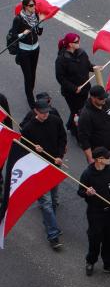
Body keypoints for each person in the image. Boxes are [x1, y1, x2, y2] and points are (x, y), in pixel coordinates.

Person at [20, 98, 67, 250]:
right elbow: (23, 150)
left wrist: (60, 156)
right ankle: (53, 235)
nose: (45, 115)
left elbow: (62, 138)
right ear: (35, 112)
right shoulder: (28, 129)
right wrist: (34, 149)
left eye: (47, 111)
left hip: (54, 165)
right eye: (42, 113)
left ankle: (49, 221)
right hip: (38, 168)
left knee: (53, 199)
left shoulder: (55, 120)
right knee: (46, 203)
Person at [77, 147, 110, 276]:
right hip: (95, 212)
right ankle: (90, 261)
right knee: (95, 239)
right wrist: (87, 192)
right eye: (107, 157)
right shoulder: (87, 174)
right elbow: (80, 191)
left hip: (109, 212)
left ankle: (108, 265)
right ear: (99, 159)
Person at [78, 85, 110, 182]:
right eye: (101, 98)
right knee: (102, 180)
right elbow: (84, 139)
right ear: (92, 98)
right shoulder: (86, 115)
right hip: (98, 154)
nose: (104, 100)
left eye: (105, 97)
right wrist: (90, 158)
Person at [54, 32, 97, 138]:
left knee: (78, 110)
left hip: (84, 89)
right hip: (71, 93)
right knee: (78, 112)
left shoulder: (82, 53)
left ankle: (70, 125)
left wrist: (95, 68)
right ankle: (77, 133)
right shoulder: (61, 59)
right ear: (70, 44)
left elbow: (87, 65)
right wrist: (73, 88)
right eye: (76, 42)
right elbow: (61, 78)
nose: (79, 43)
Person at [10, 0, 44, 109]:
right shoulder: (18, 19)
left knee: (33, 74)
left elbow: (39, 33)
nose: (34, 7)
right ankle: (31, 102)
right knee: (28, 76)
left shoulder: (36, 16)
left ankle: (30, 92)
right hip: (24, 51)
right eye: (31, 5)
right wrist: (22, 34)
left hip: (35, 49)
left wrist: (41, 22)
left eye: (34, 5)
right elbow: (13, 35)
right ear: (25, 6)